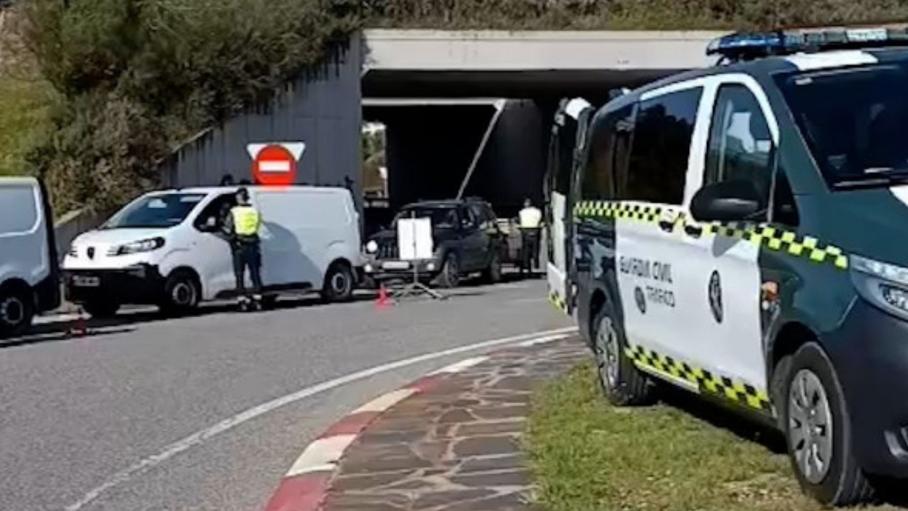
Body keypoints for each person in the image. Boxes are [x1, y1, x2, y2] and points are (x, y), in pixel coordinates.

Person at [225, 187, 264, 309]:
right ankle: (257, 299)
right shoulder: (255, 211)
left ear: (239, 198)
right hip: (253, 244)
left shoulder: (234, 211)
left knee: (239, 274)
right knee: (255, 273)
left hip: (239, 245)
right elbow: (257, 226)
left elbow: (227, 227)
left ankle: (242, 300)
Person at [518, 198, 543, 276]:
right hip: (535, 230)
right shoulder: (538, 211)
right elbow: (540, 220)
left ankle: (526, 266)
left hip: (525, 230)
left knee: (526, 250)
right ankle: (536, 264)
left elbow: (519, 221)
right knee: (535, 248)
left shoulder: (521, 212)